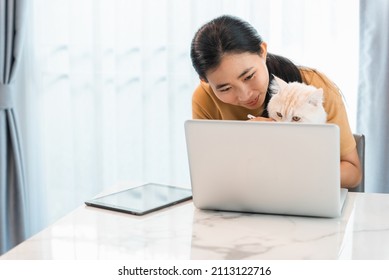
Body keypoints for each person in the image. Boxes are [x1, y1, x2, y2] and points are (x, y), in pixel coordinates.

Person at [190, 15, 361, 189]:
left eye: (249, 76)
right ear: (204, 80)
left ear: (262, 52)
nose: (245, 95)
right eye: (225, 88)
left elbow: (353, 173)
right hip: (242, 201)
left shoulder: (313, 88)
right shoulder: (205, 98)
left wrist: (289, 163)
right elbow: (206, 173)